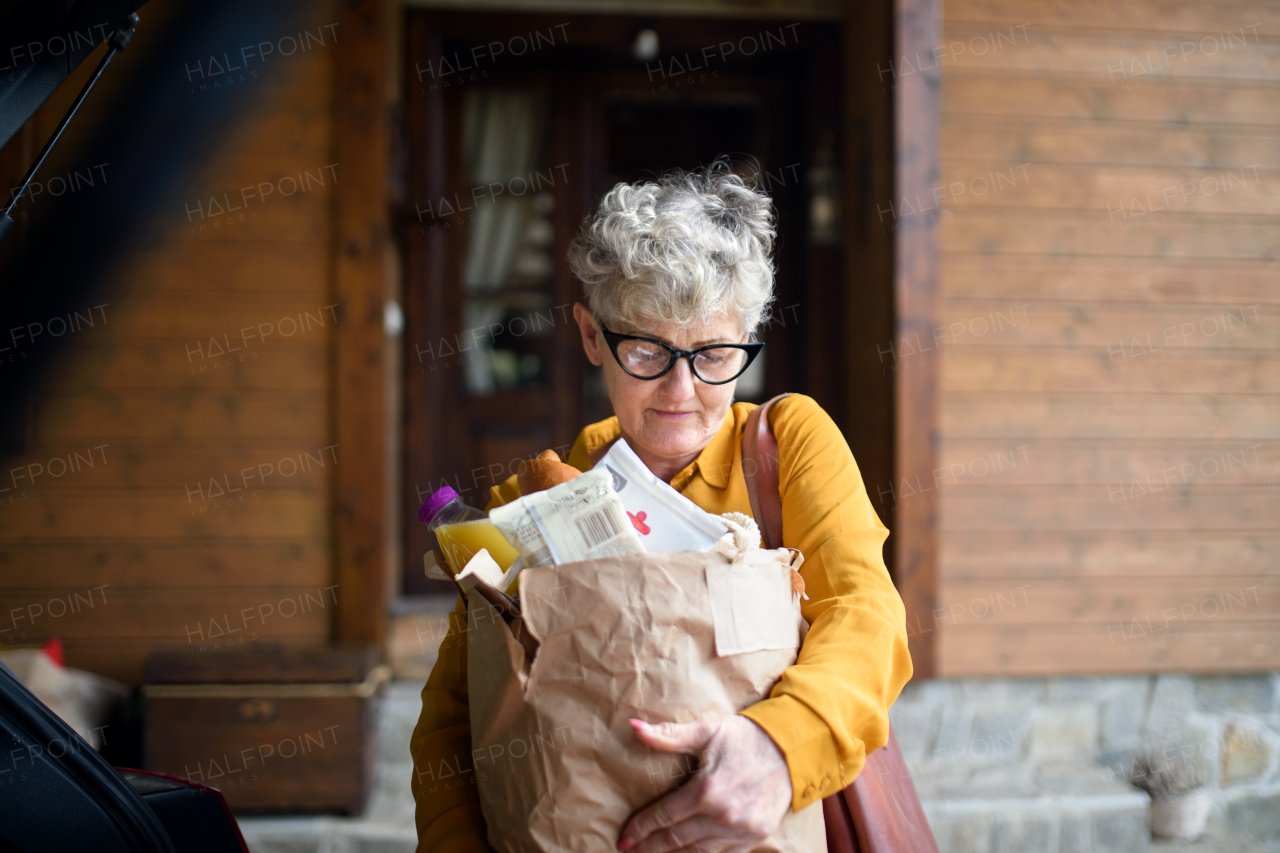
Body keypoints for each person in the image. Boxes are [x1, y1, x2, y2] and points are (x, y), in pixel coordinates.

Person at [411, 164, 912, 853]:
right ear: (592, 336)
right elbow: (453, 717)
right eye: (647, 349)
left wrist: (781, 745)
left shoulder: (786, 444)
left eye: (714, 353)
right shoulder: (532, 497)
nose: (682, 390)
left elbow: (865, 614)